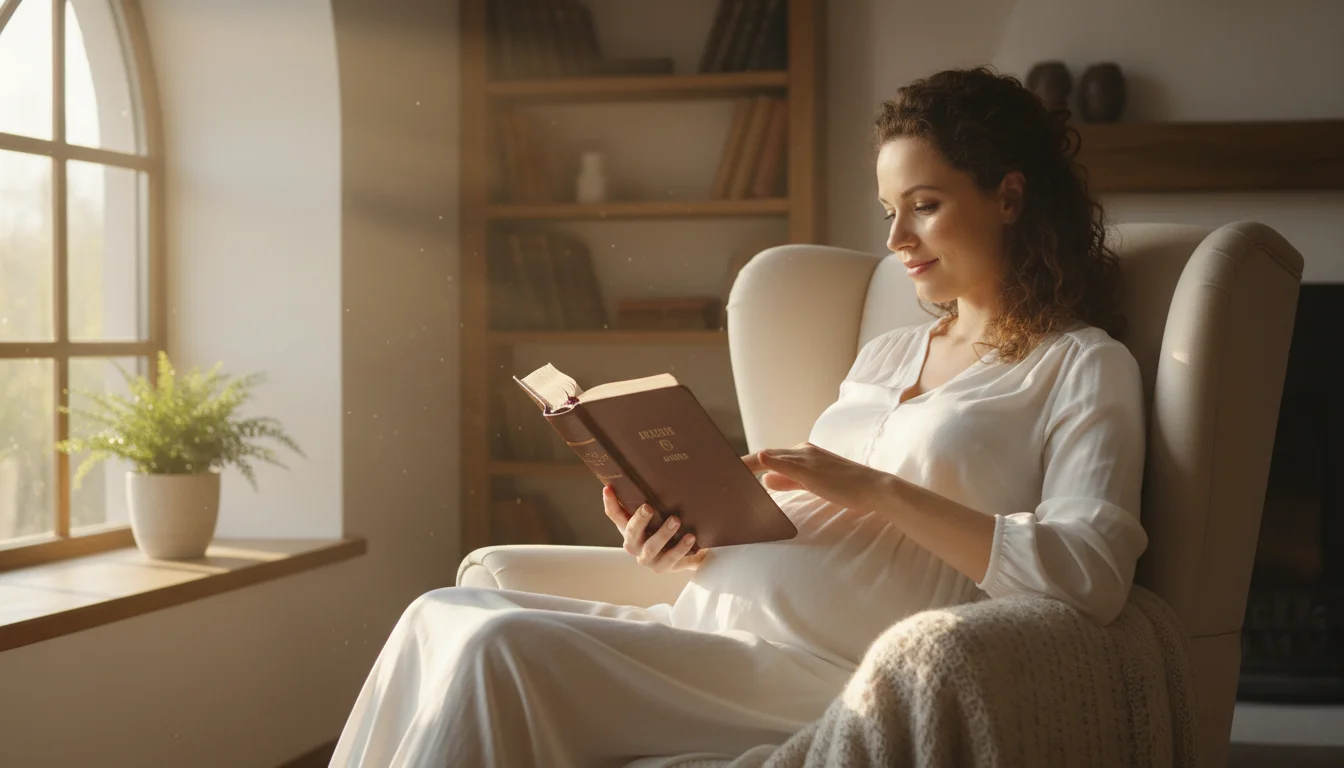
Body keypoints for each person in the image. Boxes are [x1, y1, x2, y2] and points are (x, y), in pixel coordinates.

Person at [330, 66, 1149, 768]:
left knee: (497, 648)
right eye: (887, 210)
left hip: (825, 668)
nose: (896, 237)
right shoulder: (890, 355)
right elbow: (799, 528)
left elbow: (1091, 573)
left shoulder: (1080, 365)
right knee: (438, 613)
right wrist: (678, 538)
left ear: (1008, 196)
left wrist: (875, 489)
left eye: (923, 205)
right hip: (709, 627)